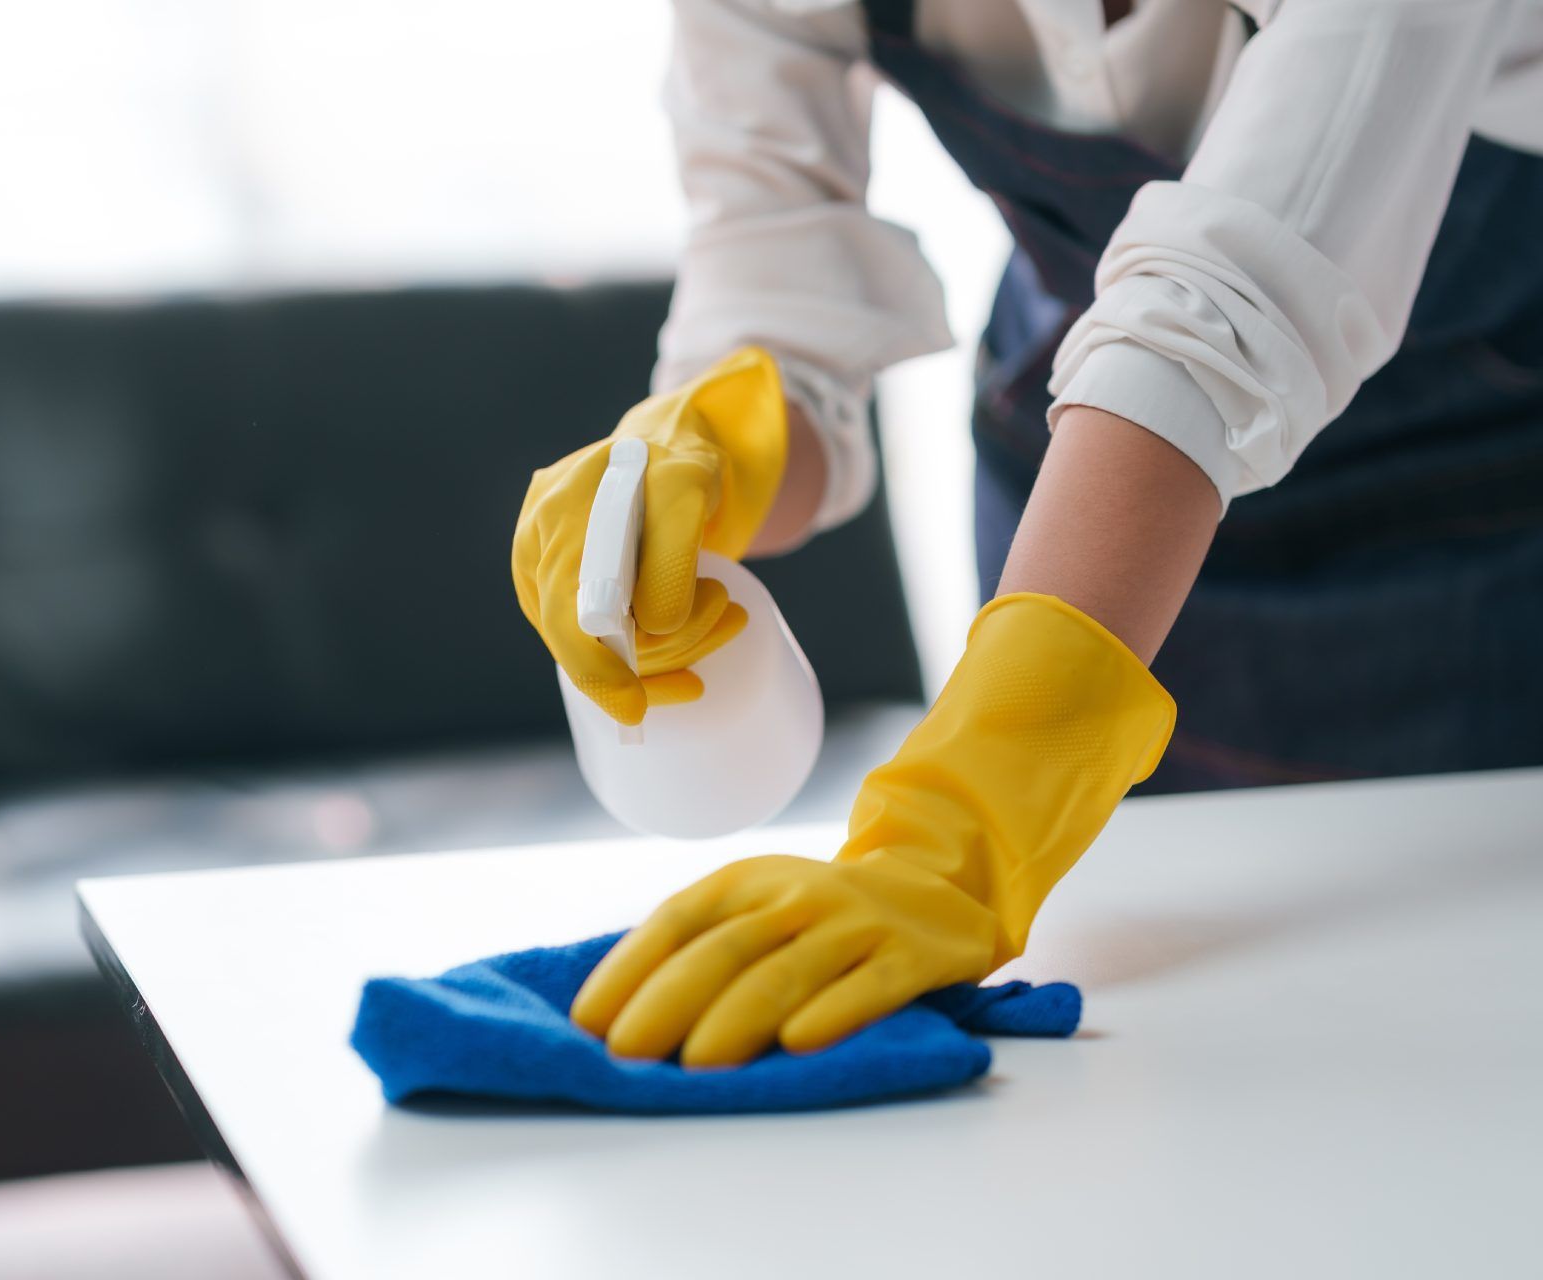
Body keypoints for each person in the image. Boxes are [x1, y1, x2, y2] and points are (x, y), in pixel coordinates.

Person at [512, 0, 1543, 1069]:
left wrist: (963, 828)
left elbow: (1230, 305)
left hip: (1481, 520)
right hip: (1085, 524)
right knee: (1127, 1080)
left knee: (1449, 1054)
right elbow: (776, 268)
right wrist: (721, 441)